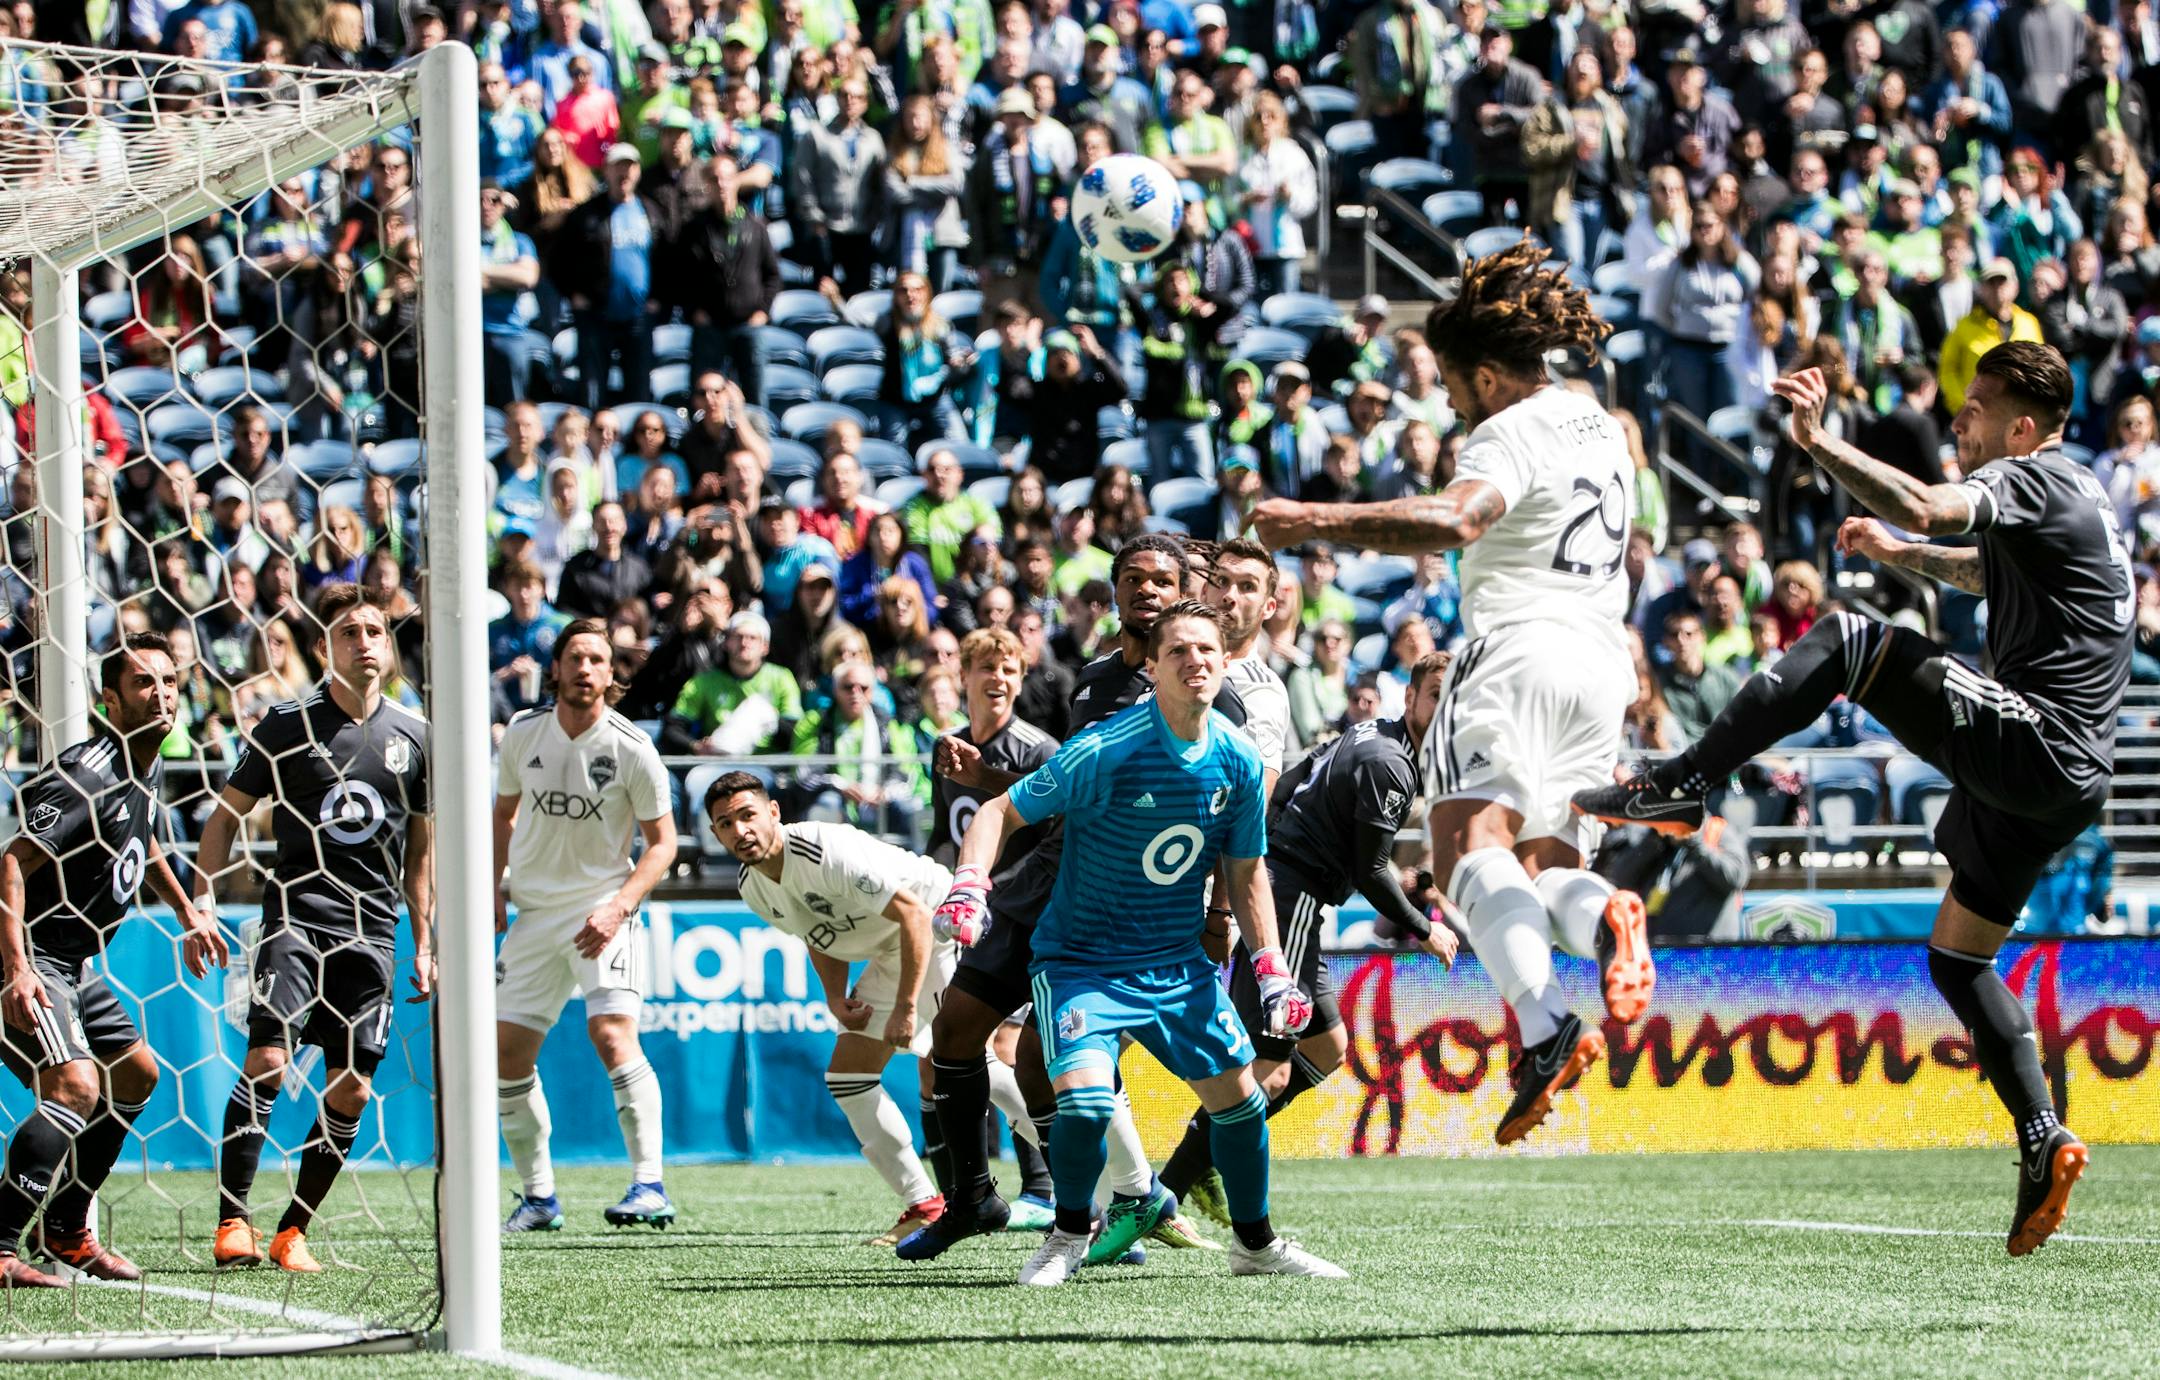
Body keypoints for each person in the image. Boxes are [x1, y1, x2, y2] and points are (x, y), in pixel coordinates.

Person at [1576, 342, 2131, 1256]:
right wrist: (1900, 552)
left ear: (2023, 429)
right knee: (1958, 959)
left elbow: (1924, 498)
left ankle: (1679, 785)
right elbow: (1986, 573)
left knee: (1846, 642)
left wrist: (1818, 442)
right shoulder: (2078, 501)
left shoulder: (2036, 478)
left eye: (1977, 407)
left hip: (2038, 740)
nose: (1960, 420)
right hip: (2065, 784)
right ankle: (2042, 1137)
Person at [1253, 241, 1657, 1147]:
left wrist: (1307, 518)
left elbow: (1457, 518)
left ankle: (1548, 1027)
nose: (1445, 399)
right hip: (1604, 663)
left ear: (1483, 374)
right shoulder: (1594, 418)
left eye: (1448, 381)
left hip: (1517, 647)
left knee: (1464, 852)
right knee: (1549, 866)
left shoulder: (1504, 430)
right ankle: (1604, 930)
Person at [933, 599, 1344, 1285]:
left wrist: (1270, 965)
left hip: (1176, 966)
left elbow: (1245, 873)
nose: (1196, 662)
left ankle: (1256, 1245)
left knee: (1241, 1107)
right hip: (1081, 964)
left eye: (1208, 650)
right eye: (1179, 651)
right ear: (1151, 666)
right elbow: (1002, 810)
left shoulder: (1239, 761)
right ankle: (1067, 1235)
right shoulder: (1106, 749)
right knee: (1088, 1104)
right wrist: (969, 885)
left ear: (1225, 662)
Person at [896, 535, 1245, 1260]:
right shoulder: (1088, 679)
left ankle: (1122, 1200)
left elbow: (1222, 814)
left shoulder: (1207, 692)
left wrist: (1219, 914)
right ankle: (972, 1199)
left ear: (1185, 592)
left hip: (1115, 910)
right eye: (1133, 579)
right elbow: (1061, 796)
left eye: (1163, 580)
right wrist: (989, 784)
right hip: (1041, 886)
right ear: (1111, 593)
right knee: (956, 1034)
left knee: (1047, 1062)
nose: (1146, 591)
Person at [1154, 651, 1461, 1232]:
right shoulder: (1393, 763)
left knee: (1326, 1048)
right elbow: (1371, 869)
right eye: (1435, 694)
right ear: (1413, 699)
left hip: (1292, 891)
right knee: (1266, 1070)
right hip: (1290, 894)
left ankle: (1199, 1160)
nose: (1445, 708)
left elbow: (1297, 782)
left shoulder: (1373, 735)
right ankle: (1164, 1192)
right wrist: (1424, 925)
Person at [201, 585, 434, 1273]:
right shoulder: (286, 723)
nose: (364, 641)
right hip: (294, 921)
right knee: (268, 1062)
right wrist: (204, 902)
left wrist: (425, 941)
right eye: (348, 632)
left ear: (388, 648)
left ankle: (292, 1230)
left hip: (371, 933)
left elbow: (420, 853)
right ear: (325, 648)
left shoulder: (417, 736)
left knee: (353, 1088)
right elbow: (222, 818)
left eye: (373, 630)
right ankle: (231, 1221)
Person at [0, 635, 225, 1286]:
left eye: (170, 683)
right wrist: (17, 969)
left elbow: (138, 837)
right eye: (144, 684)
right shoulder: (88, 772)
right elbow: (13, 861)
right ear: (109, 700)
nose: (161, 696)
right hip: (31, 953)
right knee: (75, 1086)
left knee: (136, 1074)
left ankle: (66, 1230)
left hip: (77, 961)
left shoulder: (142, 762)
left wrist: (187, 911)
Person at [709, 773, 958, 1246]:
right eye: (725, 823)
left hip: (940, 920)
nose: (740, 830)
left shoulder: (823, 850)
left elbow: (913, 915)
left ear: (774, 813)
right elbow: (818, 934)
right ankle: (925, 1204)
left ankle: (1100, 1191)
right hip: (894, 946)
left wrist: (905, 1007)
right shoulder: (752, 886)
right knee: (848, 1078)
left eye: (747, 815)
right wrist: (833, 997)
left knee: (972, 1064)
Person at [493, 622, 679, 1233]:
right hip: (535, 914)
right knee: (505, 1057)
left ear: (610, 675)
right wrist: (495, 889)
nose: (585, 668)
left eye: (597, 659)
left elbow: (663, 845)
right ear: (555, 670)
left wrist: (618, 906)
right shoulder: (524, 733)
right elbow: (504, 813)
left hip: (603, 910)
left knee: (611, 1035)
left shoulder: (632, 747)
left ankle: (649, 1183)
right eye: (574, 657)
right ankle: (539, 1197)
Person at [889, 629, 1062, 1248]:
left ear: (1021, 678)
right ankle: (964, 1196)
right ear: (962, 674)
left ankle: (1045, 1187)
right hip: (964, 911)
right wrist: (937, 880)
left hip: (1019, 915)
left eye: (1008, 667)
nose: (997, 677)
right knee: (943, 1053)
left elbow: (1053, 839)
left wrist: (989, 888)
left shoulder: (1039, 750)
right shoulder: (950, 750)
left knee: (1011, 1046)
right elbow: (947, 831)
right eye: (985, 665)